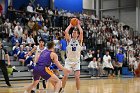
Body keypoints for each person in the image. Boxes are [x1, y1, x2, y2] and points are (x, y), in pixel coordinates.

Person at [61, 19, 83, 93]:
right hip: (69, 61)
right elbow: (66, 31)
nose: (74, 33)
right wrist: (71, 25)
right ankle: (62, 89)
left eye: (75, 32)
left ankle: (78, 91)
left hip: (76, 62)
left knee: (77, 77)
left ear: (77, 35)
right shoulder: (69, 40)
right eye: (73, 32)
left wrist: (78, 25)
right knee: (65, 76)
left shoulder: (79, 41)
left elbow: (82, 32)